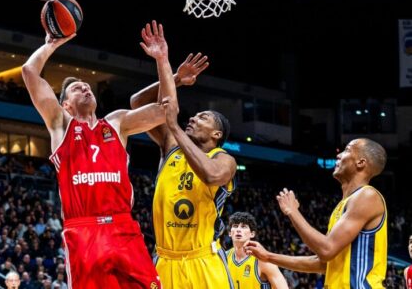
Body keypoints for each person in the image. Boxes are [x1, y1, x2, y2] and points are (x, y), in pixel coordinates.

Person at [21, 21, 172, 289]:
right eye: (77, 88)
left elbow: (166, 111)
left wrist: (162, 60)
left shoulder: (117, 123)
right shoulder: (61, 124)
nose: (86, 87)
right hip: (84, 231)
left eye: (87, 85)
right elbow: (30, 72)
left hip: (123, 227)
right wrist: (51, 44)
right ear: (65, 104)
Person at [130, 49, 237, 289]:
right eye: (194, 116)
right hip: (166, 261)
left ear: (216, 134)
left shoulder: (223, 159)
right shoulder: (171, 147)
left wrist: (174, 128)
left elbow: (211, 175)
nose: (193, 119)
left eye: (203, 118)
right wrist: (172, 73)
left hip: (204, 261)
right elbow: (138, 105)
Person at [245, 138, 388, 289]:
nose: (339, 155)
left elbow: (326, 250)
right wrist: (268, 256)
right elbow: (323, 263)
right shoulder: (344, 205)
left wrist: (293, 212)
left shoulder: (367, 196)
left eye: (347, 150)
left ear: (361, 162)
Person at [226, 212, 288, 288]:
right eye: (235, 226)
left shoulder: (263, 260)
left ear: (252, 234)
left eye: (243, 227)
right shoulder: (223, 258)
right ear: (230, 233)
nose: (238, 230)